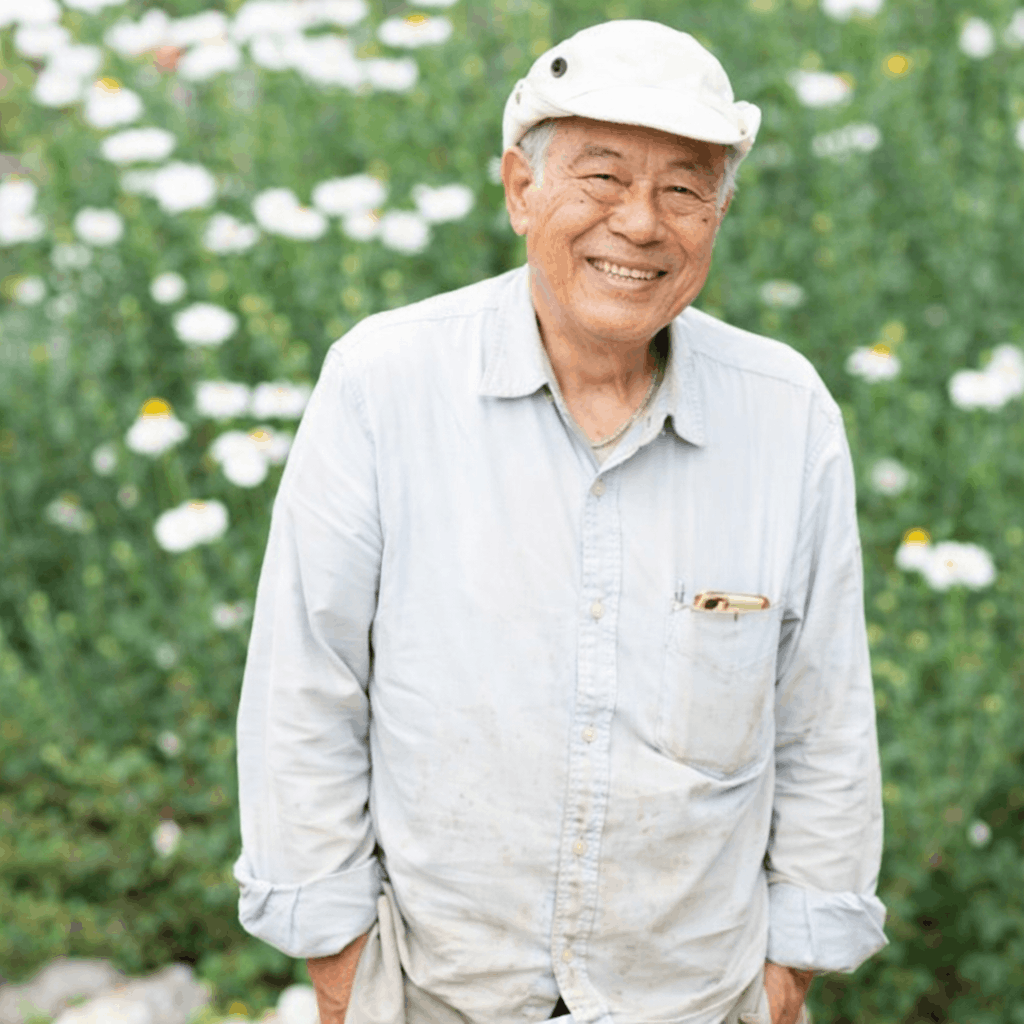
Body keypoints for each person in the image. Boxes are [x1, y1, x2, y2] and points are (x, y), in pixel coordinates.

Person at [232, 19, 888, 1024]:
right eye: (601, 177)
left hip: (699, 995)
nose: (640, 223)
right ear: (518, 189)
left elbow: (823, 710)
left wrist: (791, 964)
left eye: (684, 187)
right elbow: (305, 685)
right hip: (436, 990)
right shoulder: (384, 381)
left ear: (717, 211)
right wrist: (339, 960)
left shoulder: (784, 410)